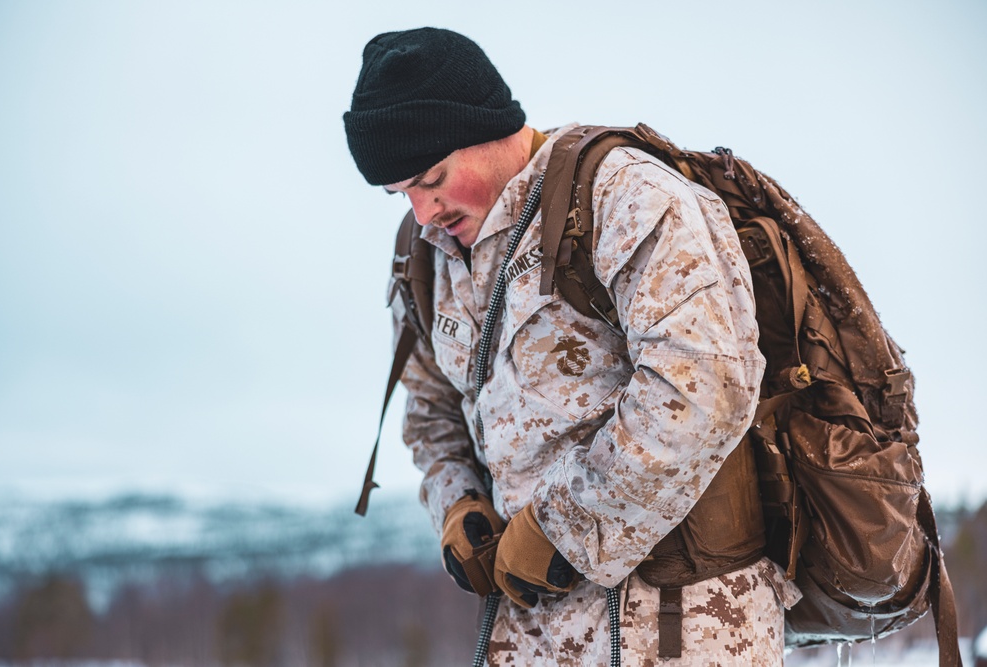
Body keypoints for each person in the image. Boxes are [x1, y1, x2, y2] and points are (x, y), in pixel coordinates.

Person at [343, 27, 801, 666]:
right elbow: (430, 406)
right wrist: (457, 505)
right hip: (529, 636)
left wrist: (565, 531)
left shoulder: (625, 197)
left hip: (681, 627)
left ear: (488, 128)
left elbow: (704, 384)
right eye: (402, 195)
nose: (424, 213)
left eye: (435, 178)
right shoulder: (426, 257)